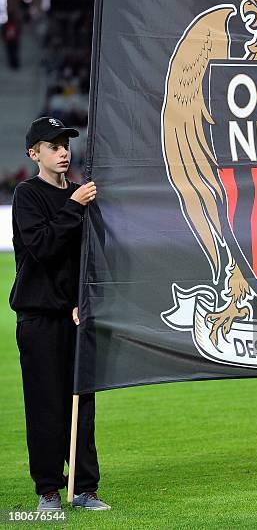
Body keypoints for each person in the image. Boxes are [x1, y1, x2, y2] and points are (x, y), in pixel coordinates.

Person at [9, 116, 110, 510]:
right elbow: (43, 248)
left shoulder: (81, 194)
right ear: (35, 153)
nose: (63, 151)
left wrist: (84, 302)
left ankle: (85, 488)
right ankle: (48, 489)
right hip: (38, 317)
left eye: (66, 144)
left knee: (82, 403)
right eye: (53, 146)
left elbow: (90, 257)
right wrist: (73, 206)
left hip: (76, 315)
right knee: (45, 405)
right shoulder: (27, 195)